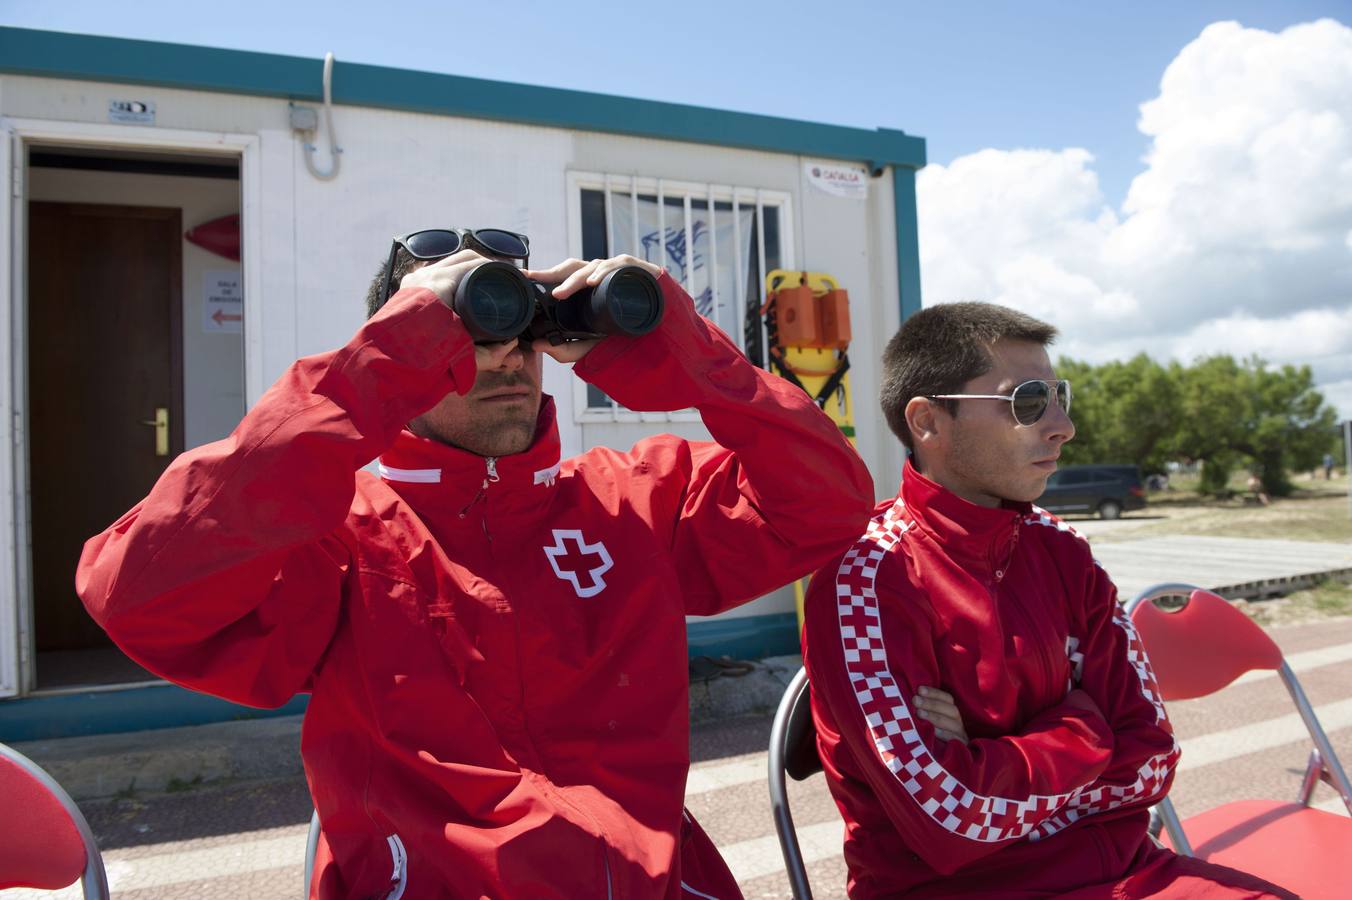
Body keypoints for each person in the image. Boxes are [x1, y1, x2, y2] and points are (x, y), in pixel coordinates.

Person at [77, 230, 875, 899]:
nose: (507, 361)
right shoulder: (338, 532)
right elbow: (138, 592)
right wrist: (379, 364)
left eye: (524, 336)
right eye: (471, 338)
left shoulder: (632, 500)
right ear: (398, 351)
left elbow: (830, 502)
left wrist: (687, 351)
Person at [801, 302, 1295, 898]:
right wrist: (1089, 725)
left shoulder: (1064, 549)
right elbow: (951, 822)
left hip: (1131, 871)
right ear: (929, 422)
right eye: (1027, 401)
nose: (1062, 425)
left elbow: (1154, 760)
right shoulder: (867, 577)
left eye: (1059, 396)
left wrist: (996, 756)